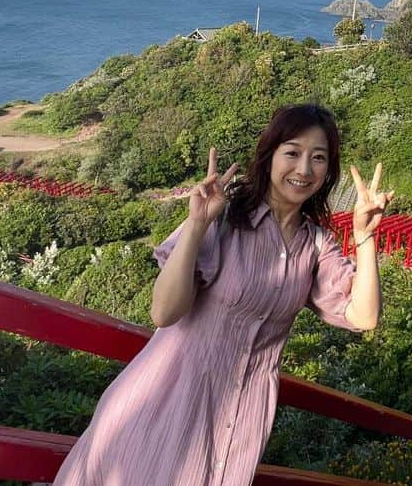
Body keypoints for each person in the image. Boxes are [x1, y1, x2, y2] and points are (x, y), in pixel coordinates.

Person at [52, 103, 394, 486]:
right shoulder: (225, 220)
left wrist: (365, 238)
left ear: (328, 171)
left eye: (318, 158)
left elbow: (364, 317)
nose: (303, 169)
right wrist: (197, 224)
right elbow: (164, 312)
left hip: (239, 419)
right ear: (269, 156)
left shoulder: (315, 247)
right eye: (293, 153)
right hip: (164, 401)